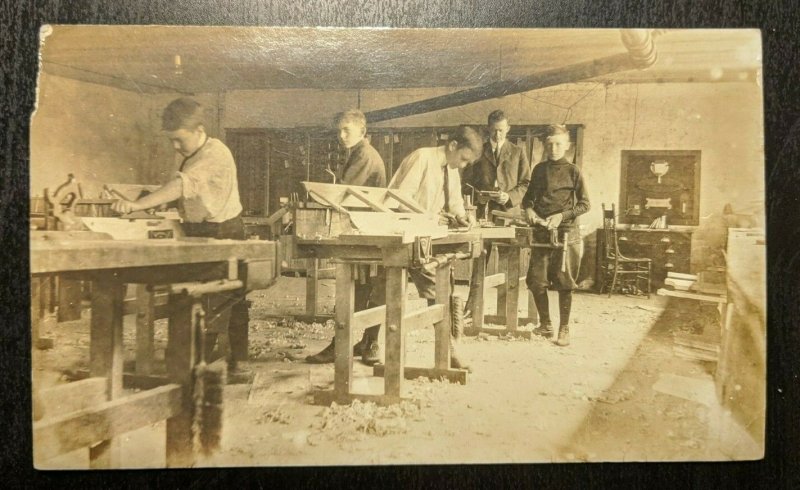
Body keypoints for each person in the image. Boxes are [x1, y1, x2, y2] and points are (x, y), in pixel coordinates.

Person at [111, 97, 251, 382]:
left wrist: (137, 206)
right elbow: (185, 193)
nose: (175, 146)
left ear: (199, 130)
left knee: (229, 299)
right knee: (199, 296)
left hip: (224, 231)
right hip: (199, 230)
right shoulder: (191, 153)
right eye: (171, 140)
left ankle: (238, 361)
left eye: (179, 140)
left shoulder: (216, 153)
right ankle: (195, 358)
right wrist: (157, 205)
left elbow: (181, 185)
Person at [388, 125, 484, 369]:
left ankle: (448, 346)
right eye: (463, 159)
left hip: (428, 235)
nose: (463, 165)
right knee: (430, 287)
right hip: (402, 234)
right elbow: (401, 201)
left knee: (442, 285)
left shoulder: (450, 169)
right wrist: (430, 218)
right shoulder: (423, 158)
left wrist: (462, 216)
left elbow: (454, 202)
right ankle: (449, 348)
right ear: (452, 146)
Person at [306, 109, 387, 365]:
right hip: (363, 229)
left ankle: (349, 344)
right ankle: (364, 342)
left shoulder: (364, 154)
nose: (341, 136)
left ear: (362, 131)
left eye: (346, 130)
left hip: (369, 231)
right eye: (339, 130)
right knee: (364, 288)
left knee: (361, 289)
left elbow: (341, 192)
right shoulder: (357, 152)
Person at [521, 124, 590, 347]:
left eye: (558, 143)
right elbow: (528, 199)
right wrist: (529, 210)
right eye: (549, 144)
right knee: (535, 281)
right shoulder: (539, 170)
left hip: (566, 234)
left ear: (567, 145)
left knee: (564, 281)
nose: (553, 148)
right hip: (542, 233)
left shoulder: (573, 171)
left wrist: (562, 216)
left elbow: (585, 204)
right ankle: (546, 323)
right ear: (544, 145)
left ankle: (564, 328)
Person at [461, 110, 531, 318]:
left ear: (508, 129)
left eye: (501, 131)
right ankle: (471, 309)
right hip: (484, 214)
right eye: (493, 131)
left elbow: (526, 183)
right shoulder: (478, 152)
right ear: (487, 129)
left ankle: (506, 312)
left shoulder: (518, 152)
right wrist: (477, 197)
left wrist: (508, 197)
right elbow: (466, 184)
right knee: (480, 259)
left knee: (508, 263)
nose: (498, 135)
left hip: (508, 214)